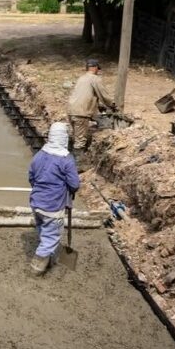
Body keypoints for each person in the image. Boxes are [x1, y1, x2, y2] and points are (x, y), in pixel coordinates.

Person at [28, 122, 80, 276]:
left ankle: (47, 256)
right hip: (53, 205)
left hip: (36, 202)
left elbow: (31, 178)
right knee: (51, 237)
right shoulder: (66, 159)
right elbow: (74, 184)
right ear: (65, 138)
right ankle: (37, 268)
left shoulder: (39, 155)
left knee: (43, 229)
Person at [67, 59, 115, 155]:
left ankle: (70, 156)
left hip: (71, 110)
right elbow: (104, 96)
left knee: (76, 136)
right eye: (98, 69)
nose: (98, 71)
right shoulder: (95, 79)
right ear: (95, 68)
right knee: (80, 141)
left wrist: (99, 106)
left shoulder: (81, 78)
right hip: (81, 113)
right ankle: (78, 161)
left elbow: (85, 95)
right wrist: (113, 105)